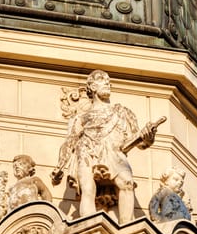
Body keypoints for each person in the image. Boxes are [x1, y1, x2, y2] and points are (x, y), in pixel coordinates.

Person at [51, 70, 165, 223]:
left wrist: (148, 136)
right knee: (87, 189)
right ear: (91, 86)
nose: (107, 83)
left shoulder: (123, 113)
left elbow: (141, 143)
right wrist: (59, 167)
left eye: (108, 80)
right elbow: (69, 142)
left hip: (114, 151)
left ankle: (126, 228)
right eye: (101, 79)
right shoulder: (80, 117)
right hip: (87, 150)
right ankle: (88, 227)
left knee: (126, 184)